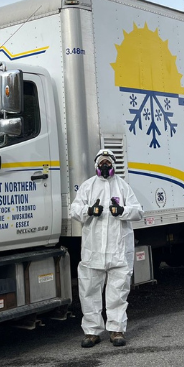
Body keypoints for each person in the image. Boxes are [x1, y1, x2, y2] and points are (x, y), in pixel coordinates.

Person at [69, 149, 143, 347]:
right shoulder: (87, 187)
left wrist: (122, 211)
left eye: (107, 163)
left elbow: (138, 211)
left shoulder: (123, 187)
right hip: (93, 251)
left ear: (113, 165)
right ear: (96, 165)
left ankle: (116, 330)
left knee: (118, 292)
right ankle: (92, 332)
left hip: (118, 250)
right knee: (89, 291)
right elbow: (74, 210)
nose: (104, 166)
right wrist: (89, 210)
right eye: (101, 162)